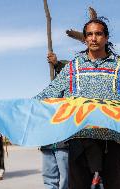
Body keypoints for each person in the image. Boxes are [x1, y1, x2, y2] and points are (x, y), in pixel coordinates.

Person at [34, 19, 120, 189]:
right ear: (84, 39)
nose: (93, 38)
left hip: (113, 141)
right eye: (89, 34)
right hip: (80, 138)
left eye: (98, 33)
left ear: (106, 37)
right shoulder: (73, 67)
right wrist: (19, 112)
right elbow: (49, 94)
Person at [40, 52, 69, 189]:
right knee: (49, 178)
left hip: (64, 144)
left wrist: (57, 64)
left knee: (67, 179)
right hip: (48, 142)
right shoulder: (49, 95)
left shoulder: (71, 96)